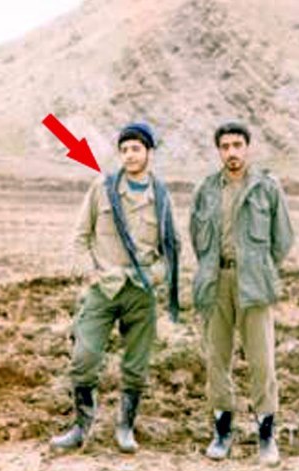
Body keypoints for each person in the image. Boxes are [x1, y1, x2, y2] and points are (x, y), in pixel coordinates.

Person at [51, 122, 180, 453]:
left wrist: (154, 276)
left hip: (140, 292)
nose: (129, 155)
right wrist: (90, 274)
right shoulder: (102, 188)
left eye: (136, 149)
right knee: (84, 358)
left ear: (149, 153)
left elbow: (172, 251)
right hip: (103, 289)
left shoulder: (162, 197)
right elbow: (80, 238)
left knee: (136, 367)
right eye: (124, 149)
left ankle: (125, 427)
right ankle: (81, 427)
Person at [189, 121, 294, 466]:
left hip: (254, 285)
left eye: (237, 145)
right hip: (216, 282)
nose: (231, 152)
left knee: (262, 362)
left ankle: (266, 436)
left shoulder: (266, 188)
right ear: (218, 151)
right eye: (225, 146)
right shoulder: (206, 189)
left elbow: (282, 239)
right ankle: (222, 432)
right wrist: (213, 268)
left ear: (247, 148)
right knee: (216, 360)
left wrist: (259, 267)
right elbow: (196, 237)